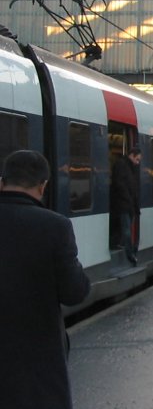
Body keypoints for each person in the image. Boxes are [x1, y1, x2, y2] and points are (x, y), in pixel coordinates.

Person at [0, 150, 91, 409]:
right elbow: (75, 292)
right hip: (36, 367)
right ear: (43, 186)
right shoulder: (56, 226)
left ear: (1, 182)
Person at [110, 147, 142, 266]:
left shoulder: (129, 167)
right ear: (132, 155)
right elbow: (121, 185)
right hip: (124, 204)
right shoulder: (122, 165)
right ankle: (130, 254)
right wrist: (129, 200)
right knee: (127, 230)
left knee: (125, 228)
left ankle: (118, 243)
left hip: (128, 204)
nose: (138, 163)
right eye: (137, 159)